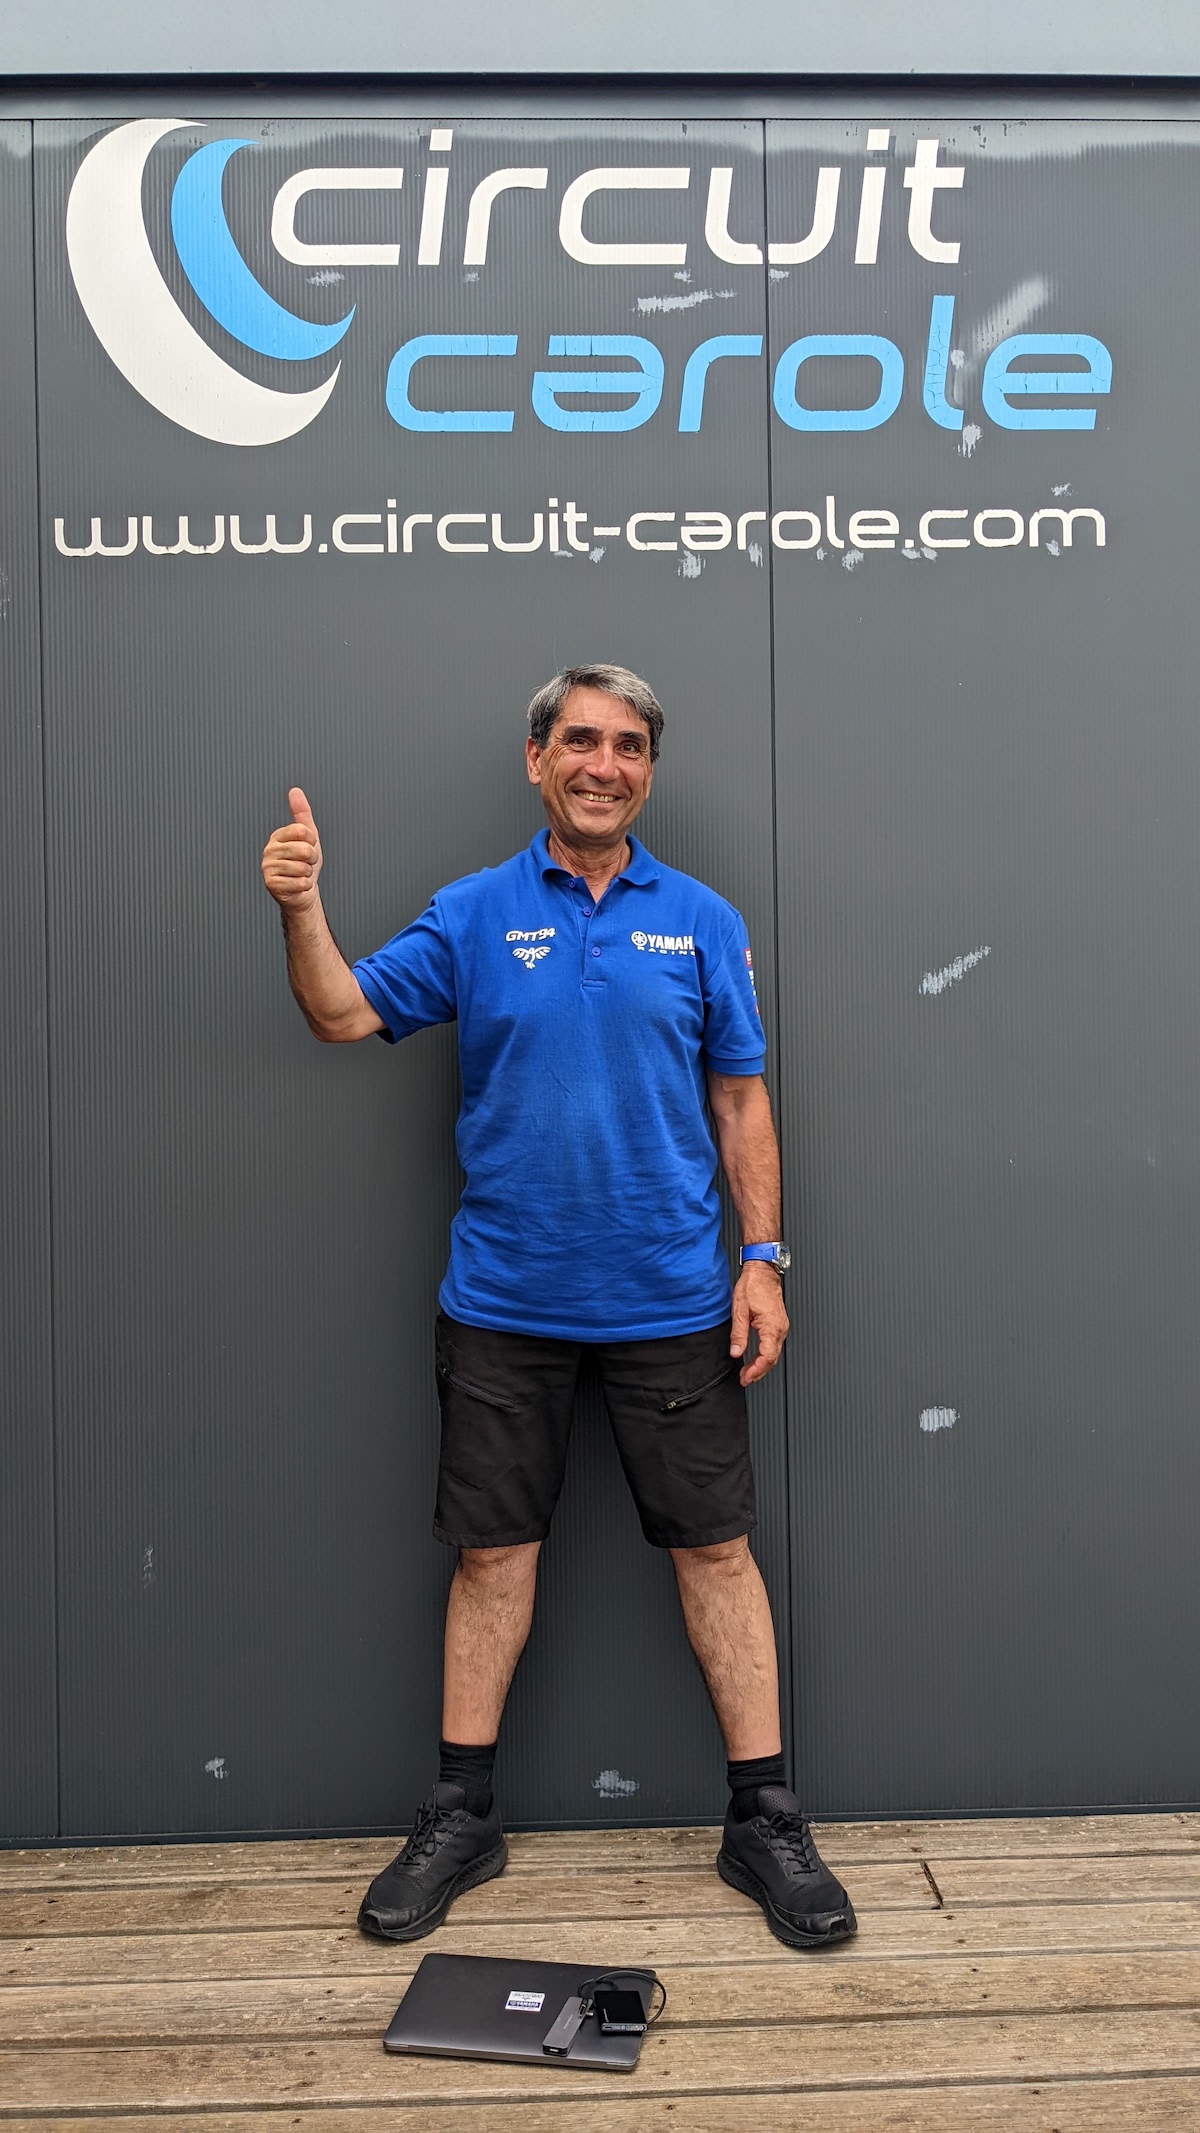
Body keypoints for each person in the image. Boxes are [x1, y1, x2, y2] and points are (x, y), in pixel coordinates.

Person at [260, 663, 856, 1953]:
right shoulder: (474, 912)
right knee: (492, 1557)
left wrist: (763, 1259)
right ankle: (461, 1815)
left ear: (648, 771)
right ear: (537, 760)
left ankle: (764, 1820)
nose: (604, 764)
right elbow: (341, 1012)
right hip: (503, 1302)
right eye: (580, 740)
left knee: (717, 1553)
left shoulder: (701, 919)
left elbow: (740, 1096)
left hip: (674, 1304)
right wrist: (302, 909)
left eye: (628, 746)